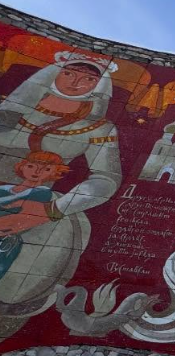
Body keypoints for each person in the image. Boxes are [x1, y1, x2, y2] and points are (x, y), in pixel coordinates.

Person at [0, 51, 123, 336]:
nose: (76, 83)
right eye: (69, 73)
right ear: (53, 73)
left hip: (37, 202)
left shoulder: (99, 128)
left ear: (100, 86)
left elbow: (106, 178)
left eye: (88, 79)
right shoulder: (9, 110)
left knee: (52, 243)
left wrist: (50, 210)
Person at [0, 151, 69, 280]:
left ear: (54, 173)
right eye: (31, 166)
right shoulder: (5, 189)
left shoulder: (41, 193)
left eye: (46, 169)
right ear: (22, 166)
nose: (37, 172)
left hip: (5, 237)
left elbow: (20, 214)